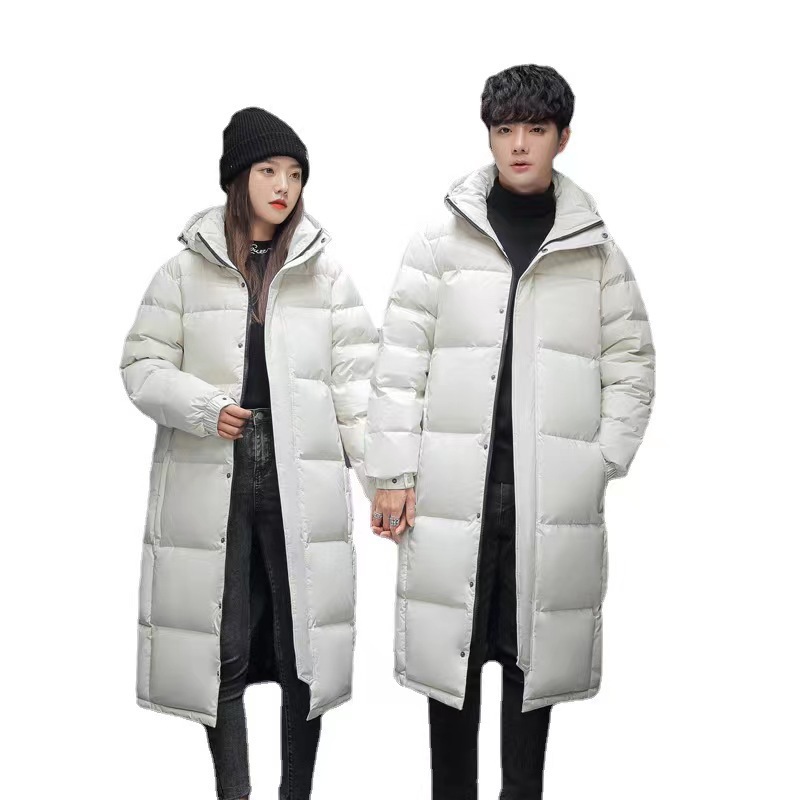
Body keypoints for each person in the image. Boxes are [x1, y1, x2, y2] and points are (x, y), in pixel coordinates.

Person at [365, 64, 656, 799]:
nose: (519, 144)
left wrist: (600, 460)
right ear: (489, 136)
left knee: (533, 672)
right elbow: (398, 365)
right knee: (450, 668)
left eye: (535, 129)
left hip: (546, 498)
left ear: (563, 137)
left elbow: (632, 362)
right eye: (505, 129)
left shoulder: (594, 250)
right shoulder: (440, 240)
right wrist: (393, 474)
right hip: (450, 492)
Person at [120, 106, 378, 800]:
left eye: (295, 173)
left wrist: (383, 479)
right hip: (216, 468)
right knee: (221, 647)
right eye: (268, 170)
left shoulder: (324, 274)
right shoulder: (184, 271)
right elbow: (141, 365)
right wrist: (204, 408)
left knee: (306, 652)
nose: (283, 186)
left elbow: (358, 383)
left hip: (301, 469)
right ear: (239, 177)